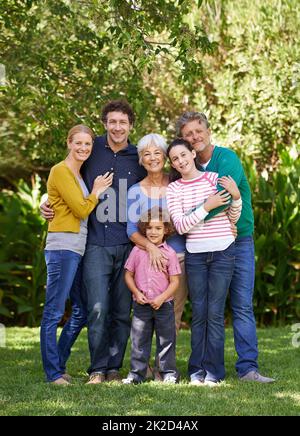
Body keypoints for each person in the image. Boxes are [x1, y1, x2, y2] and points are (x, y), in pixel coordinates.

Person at [40, 100, 146, 384]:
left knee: (122, 312)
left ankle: (114, 368)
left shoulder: (138, 157)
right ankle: (97, 369)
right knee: (97, 309)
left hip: (128, 244)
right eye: (112, 121)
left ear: (131, 126)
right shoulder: (91, 149)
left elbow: (159, 184)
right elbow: (65, 179)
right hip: (94, 244)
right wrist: (44, 202)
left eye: (123, 122)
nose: (117, 127)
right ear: (104, 123)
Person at [177, 111, 275, 383]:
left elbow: (219, 200)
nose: (194, 137)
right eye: (188, 134)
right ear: (183, 140)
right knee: (207, 309)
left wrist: (188, 219)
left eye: (198, 131)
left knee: (242, 305)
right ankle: (207, 369)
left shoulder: (227, 159)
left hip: (239, 238)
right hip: (204, 245)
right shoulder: (184, 165)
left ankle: (248, 369)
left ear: (208, 131)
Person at [41, 124, 113, 385]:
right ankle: (53, 373)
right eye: (78, 143)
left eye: (88, 144)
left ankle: (58, 363)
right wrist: (96, 191)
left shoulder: (78, 173)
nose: (83, 148)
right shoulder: (60, 170)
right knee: (53, 312)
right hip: (62, 247)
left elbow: (59, 201)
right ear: (69, 143)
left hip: (78, 248)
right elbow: (82, 210)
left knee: (81, 310)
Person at [166, 139, 242, 386]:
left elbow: (232, 213)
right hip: (196, 255)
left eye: (183, 155)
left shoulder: (213, 179)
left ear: (192, 152)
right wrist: (207, 206)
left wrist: (237, 197)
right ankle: (196, 371)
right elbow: (181, 225)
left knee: (215, 313)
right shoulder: (174, 189)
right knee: (199, 313)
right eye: (175, 159)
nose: (180, 161)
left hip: (222, 251)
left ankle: (214, 373)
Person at [127, 133, 187, 333]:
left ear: (164, 156)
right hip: (146, 262)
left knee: (173, 312)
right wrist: (152, 247)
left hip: (178, 259)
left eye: (157, 153)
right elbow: (131, 230)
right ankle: (144, 363)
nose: (152, 158)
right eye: (146, 154)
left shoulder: (178, 185)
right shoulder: (135, 191)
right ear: (141, 160)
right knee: (145, 316)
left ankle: (165, 363)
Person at [123, 207, 181, 384]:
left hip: (164, 304)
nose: (153, 232)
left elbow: (175, 282)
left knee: (166, 340)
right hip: (141, 304)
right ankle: (136, 375)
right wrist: (136, 292)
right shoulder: (137, 251)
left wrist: (162, 297)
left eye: (158, 228)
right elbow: (128, 275)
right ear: (144, 229)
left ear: (166, 230)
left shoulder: (170, 253)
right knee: (139, 341)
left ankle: (168, 373)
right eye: (149, 228)